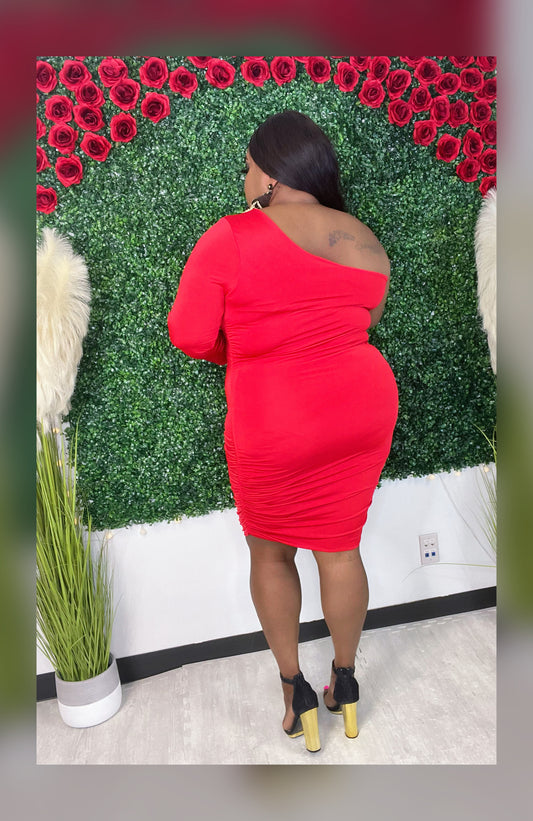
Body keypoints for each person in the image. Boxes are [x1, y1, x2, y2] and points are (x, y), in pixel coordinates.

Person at [168, 110, 398, 753]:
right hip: (363, 408)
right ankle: (345, 683)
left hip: (277, 416)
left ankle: (296, 694)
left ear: (270, 174)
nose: (244, 181)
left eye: (247, 169)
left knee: (271, 554)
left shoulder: (232, 236)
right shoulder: (364, 240)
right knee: (342, 549)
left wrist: (249, 351)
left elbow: (188, 334)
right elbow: (363, 322)